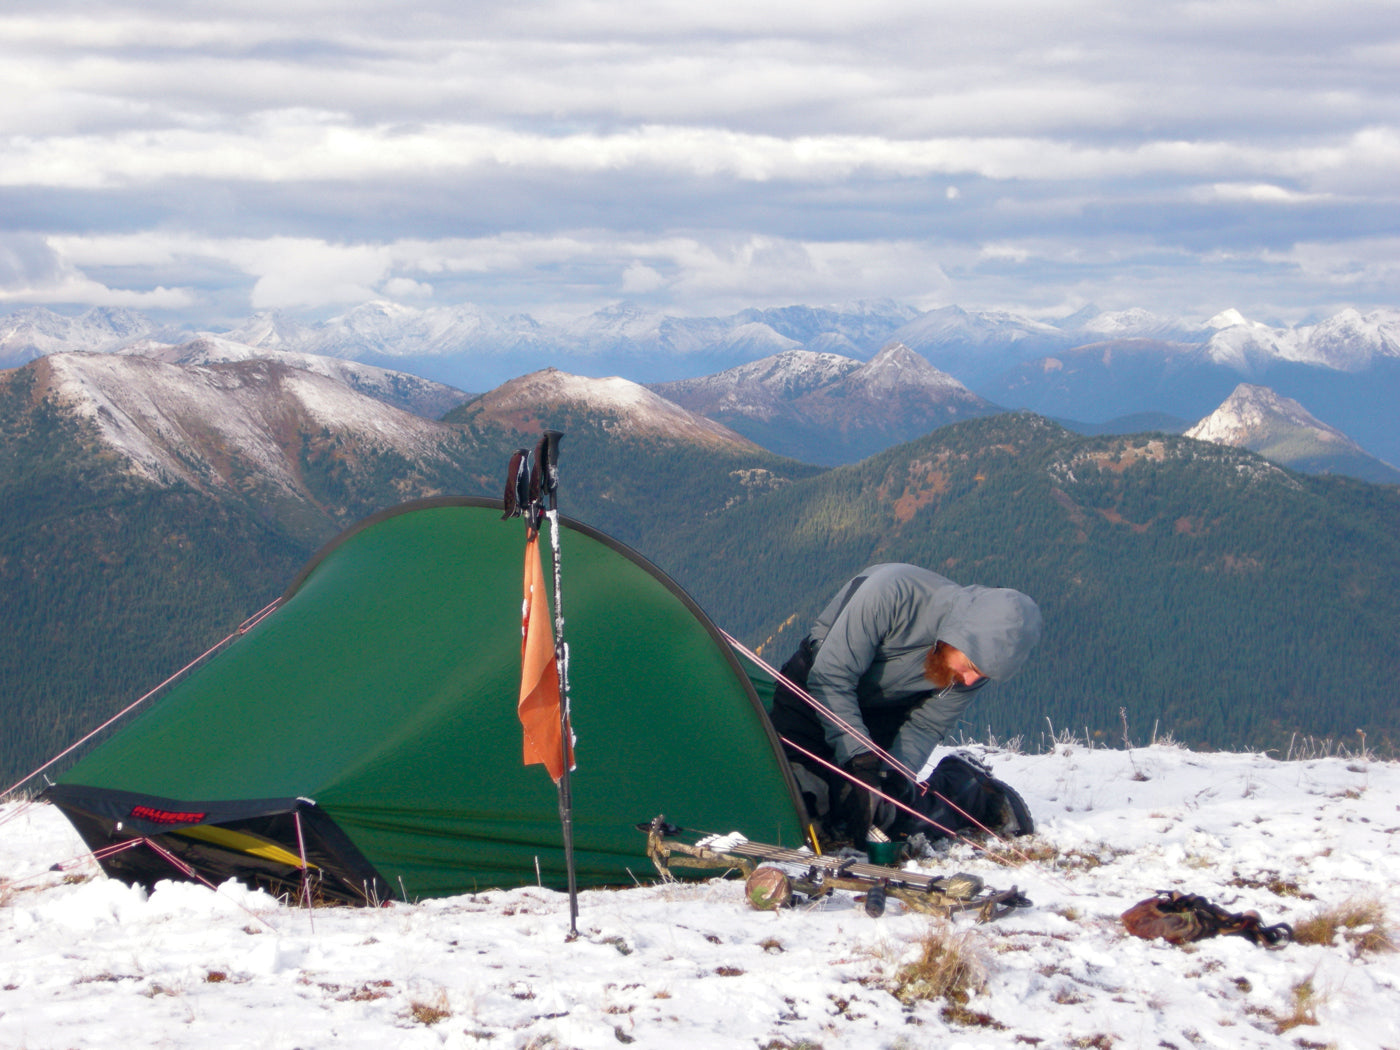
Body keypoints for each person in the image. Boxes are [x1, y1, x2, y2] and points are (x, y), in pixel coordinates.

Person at [769, 562, 1042, 841]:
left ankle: (968, 790)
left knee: (878, 816)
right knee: (793, 802)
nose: (971, 680)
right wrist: (860, 759)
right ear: (960, 636)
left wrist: (893, 779)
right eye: (971, 666)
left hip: (883, 716)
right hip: (810, 696)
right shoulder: (892, 594)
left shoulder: (974, 663)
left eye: (982, 675)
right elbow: (830, 677)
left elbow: (926, 725)